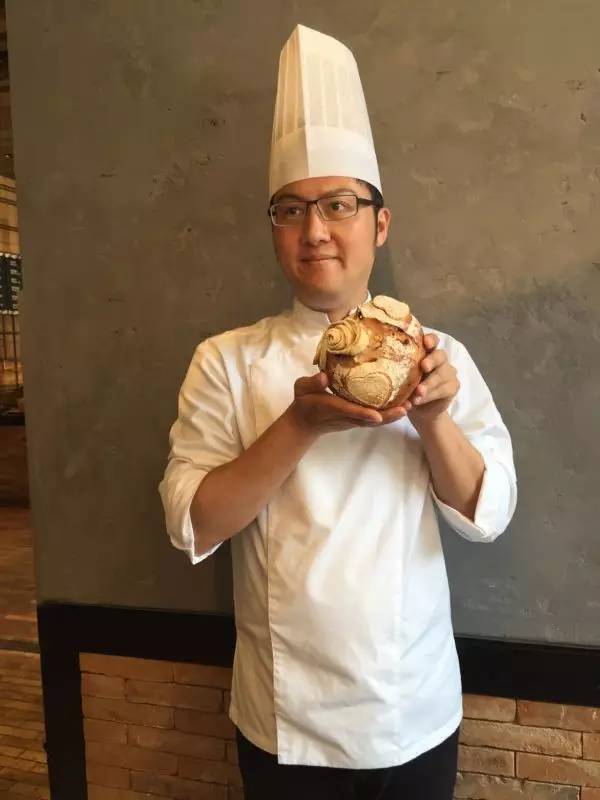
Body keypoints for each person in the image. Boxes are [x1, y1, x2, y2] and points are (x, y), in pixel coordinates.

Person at [159, 24, 517, 800]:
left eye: (339, 205)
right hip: (286, 719)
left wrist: (432, 417)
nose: (315, 230)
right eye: (290, 210)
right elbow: (192, 523)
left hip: (411, 705)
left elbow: (486, 513)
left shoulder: (437, 356)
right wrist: (300, 425)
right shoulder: (225, 361)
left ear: (379, 223)